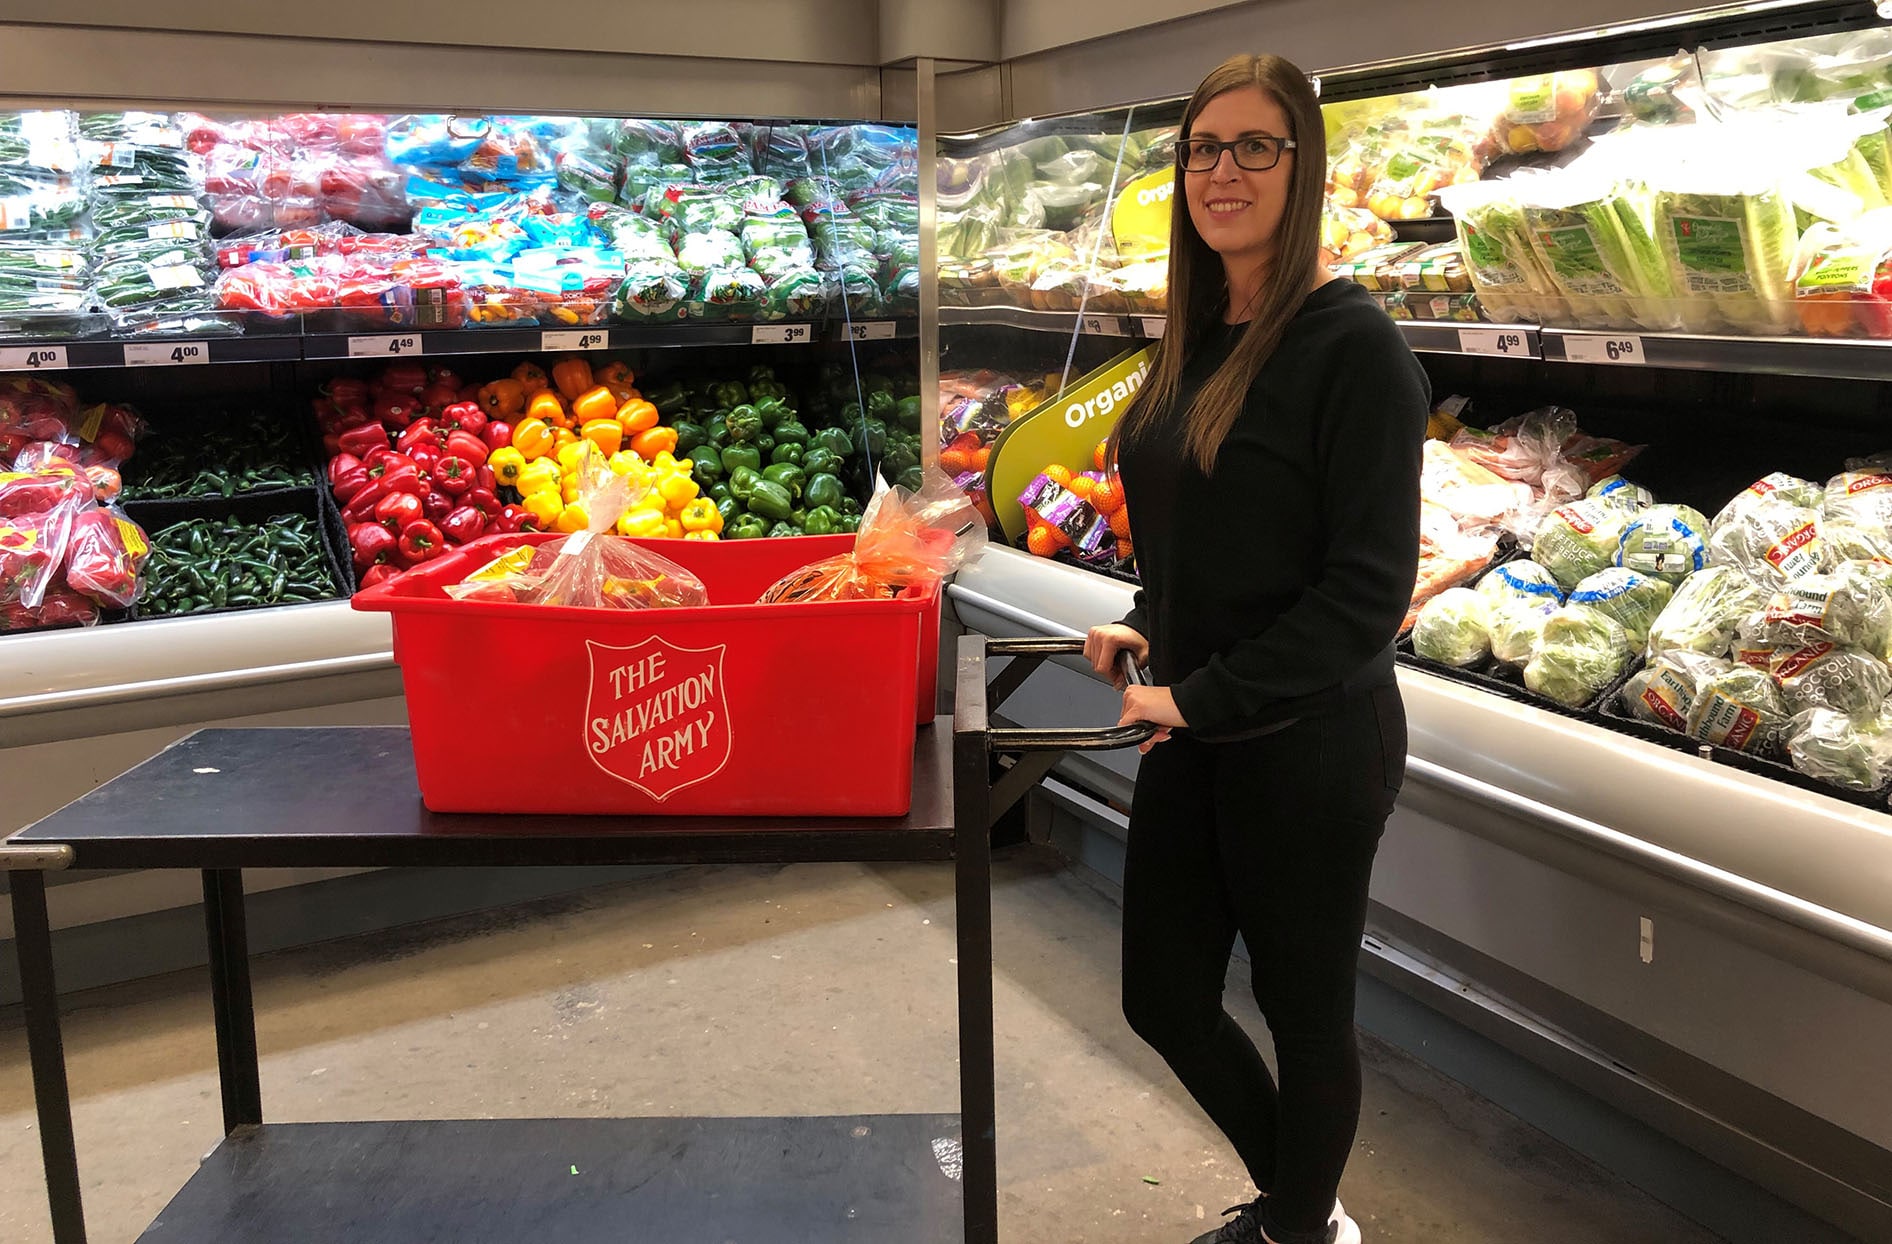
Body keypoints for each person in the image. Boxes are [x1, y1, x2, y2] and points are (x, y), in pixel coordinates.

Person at [1081, 52, 1428, 1244]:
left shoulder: (1355, 350)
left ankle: (1291, 1223)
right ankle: (1310, 1212)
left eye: (1252, 147)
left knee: (1300, 1005)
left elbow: (1364, 593)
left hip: (1306, 744)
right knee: (1163, 996)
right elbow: (1215, 524)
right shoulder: (1195, 330)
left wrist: (1195, 693)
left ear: (1302, 166)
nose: (1220, 171)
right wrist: (1149, 611)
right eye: (1201, 149)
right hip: (1200, 719)